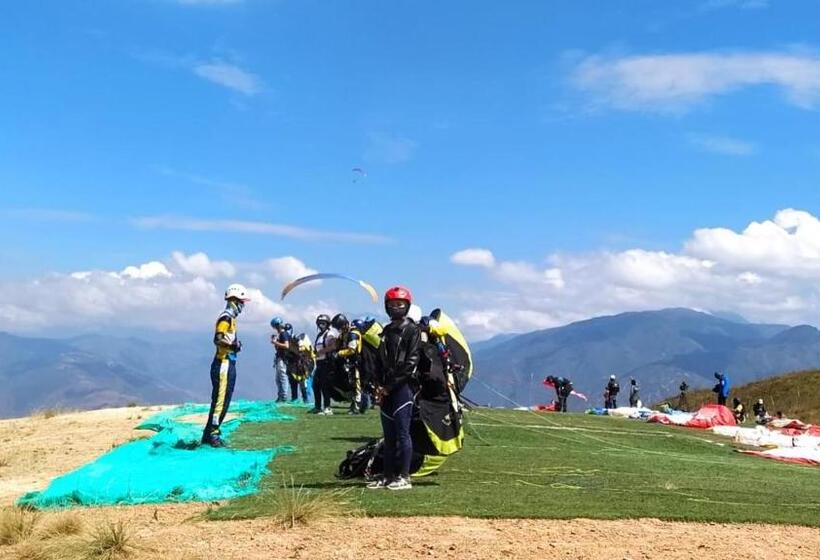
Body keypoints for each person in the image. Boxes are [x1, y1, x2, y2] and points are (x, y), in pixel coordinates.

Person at [368, 286, 420, 491]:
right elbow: (380, 360)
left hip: (403, 388)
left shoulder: (412, 330)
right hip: (386, 388)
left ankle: (404, 477)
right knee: (388, 436)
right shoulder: (386, 331)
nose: (396, 308)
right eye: (392, 305)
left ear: (407, 306)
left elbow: (411, 362)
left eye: (400, 304)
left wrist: (389, 387)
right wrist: (378, 385)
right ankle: (388, 475)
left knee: (402, 433)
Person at [202, 284, 250, 447]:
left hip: (228, 362)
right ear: (234, 301)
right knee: (220, 400)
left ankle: (208, 434)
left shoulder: (232, 319)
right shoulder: (226, 318)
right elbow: (217, 338)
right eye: (242, 302)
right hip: (223, 363)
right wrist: (233, 347)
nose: (243, 306)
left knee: (224, 399)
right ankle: (213, 435)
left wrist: (235, 344)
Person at [332, 313, 364, 414]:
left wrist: (339, 353)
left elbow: (352, 349)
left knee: (356, 384)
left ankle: (357, 407)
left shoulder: (353, 333)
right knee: (350, 384)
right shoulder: (344, 334)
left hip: (355, 362)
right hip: (348, 362)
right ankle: (354, 404)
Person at [311, 314, 336, 415]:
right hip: (319, 363)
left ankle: (327, 407)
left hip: (327, 363)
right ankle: (317, 406)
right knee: (315, 385)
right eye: (319, 323)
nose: (321, 325)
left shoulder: (329, 334)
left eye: (323, 323)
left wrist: (322, 351)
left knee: (324, 385)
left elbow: (333, 346)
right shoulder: (319, 335)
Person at [270, 317, 291, 403]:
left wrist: (275, 342)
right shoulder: (281, 335)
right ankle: (280, 395)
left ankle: (284, 396)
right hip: (280, 357)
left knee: (282, 377)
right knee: (278, 378)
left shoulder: (283, 334)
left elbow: (286, 346)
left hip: (283, 358)